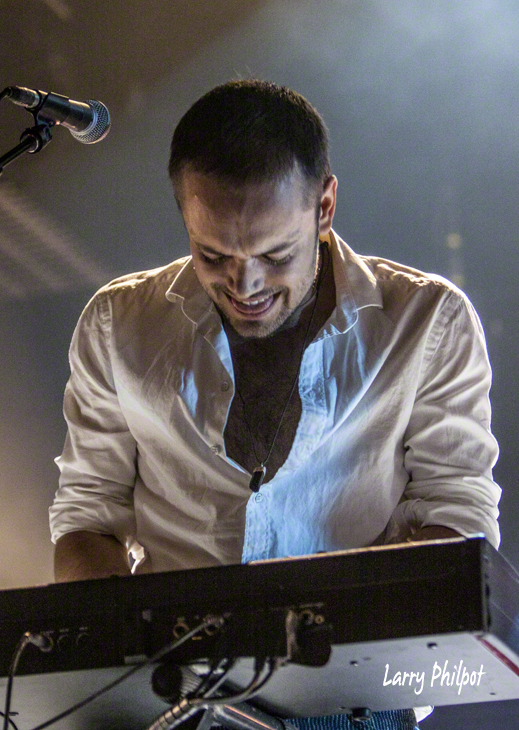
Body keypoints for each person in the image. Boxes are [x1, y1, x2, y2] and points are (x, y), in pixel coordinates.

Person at [49, 80, 501, 730]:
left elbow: (459, 521)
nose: (246, 284)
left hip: (353, 700)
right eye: (213, 254)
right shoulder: (117, 324)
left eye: (275, 254)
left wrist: (319, 634)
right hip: (167, 700)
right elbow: (86, 519)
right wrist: (119, 665)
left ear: (325, 207)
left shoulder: (429, 322)